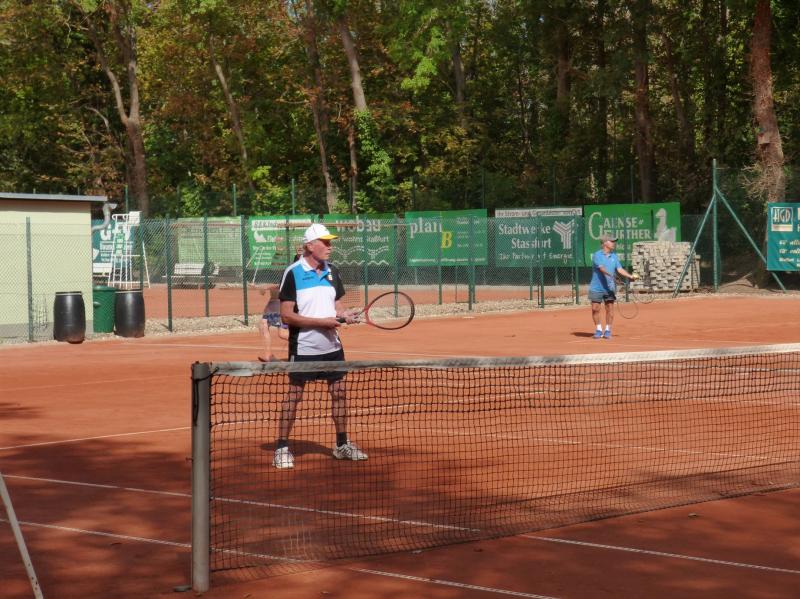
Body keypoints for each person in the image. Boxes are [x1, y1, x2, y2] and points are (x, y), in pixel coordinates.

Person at [273, 223, 367, 469]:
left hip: (332, 347)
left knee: (340, 393)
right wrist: (322, 322)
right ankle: (281, 448)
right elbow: (286, 315)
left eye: (330, 241)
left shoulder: (332, 271)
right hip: (304, 348)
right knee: (295, 395)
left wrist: (344, 315)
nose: (329, 246)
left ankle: (342, 444)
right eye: (325, 242)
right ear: (309, 245)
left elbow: (336, 305)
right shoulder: (293, 273)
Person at [588, 234, 638, 340]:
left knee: (609, 308)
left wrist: (630, 276)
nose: (614, 243)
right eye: (611, 241)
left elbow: (619, 269)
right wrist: (612, 276)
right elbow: (602, 269)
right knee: (595, 308)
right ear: (605, 243)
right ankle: (598, 330)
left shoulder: (614, 256)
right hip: (596, 287)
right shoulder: (597, 255)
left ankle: (607, 330)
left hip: (609, 287)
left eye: (614, 241)